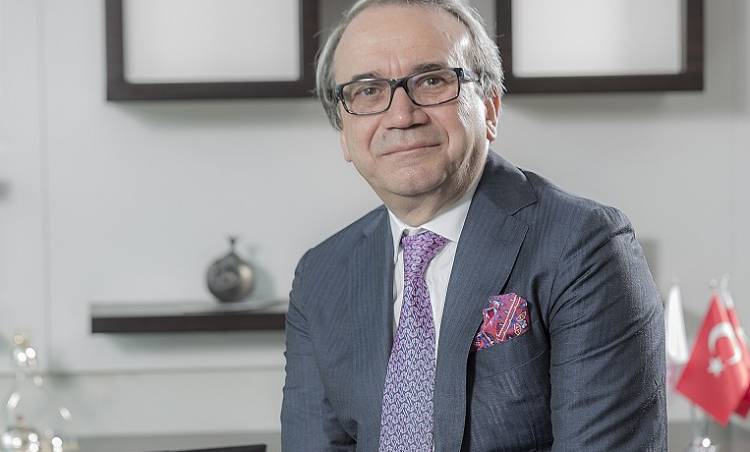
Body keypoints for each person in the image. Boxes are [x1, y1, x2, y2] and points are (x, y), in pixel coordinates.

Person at [281, 0, 666, 450]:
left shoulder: (584, 246)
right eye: (367, 91)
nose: (402, 116)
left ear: (490, 107)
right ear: (344, 135)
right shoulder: (322, 274)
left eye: (431, 81)